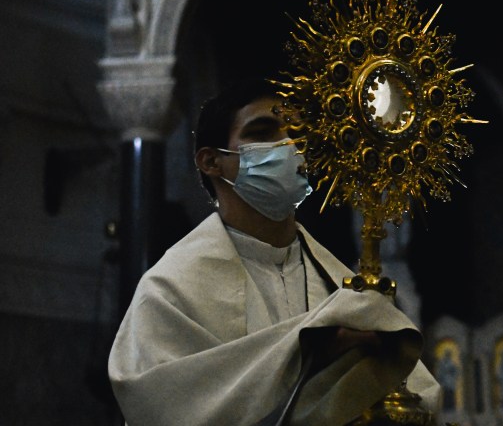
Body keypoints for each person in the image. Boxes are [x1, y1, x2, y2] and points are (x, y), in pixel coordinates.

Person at [107, 77, 441, 425]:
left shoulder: (339, 285)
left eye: (296, 133)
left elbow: (420, 396)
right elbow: (157, 404)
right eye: (262, 132)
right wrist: (310, 353)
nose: (289, 145)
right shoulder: (168, 290)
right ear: (211, 161)